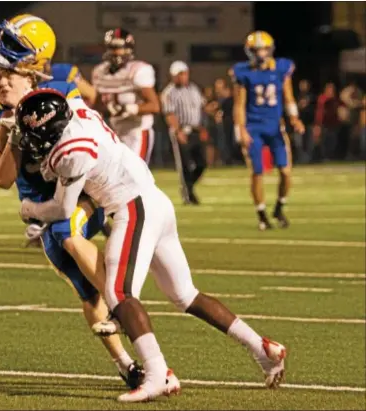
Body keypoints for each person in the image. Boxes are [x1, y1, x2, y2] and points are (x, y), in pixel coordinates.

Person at [16, 89, 287, 403]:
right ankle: (263, 349)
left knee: (119, 294)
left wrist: (30, 210)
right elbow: (73, 99)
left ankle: (156, 375)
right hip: (155, 201)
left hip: (133, 206)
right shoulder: (76, 109)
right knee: (186, 295)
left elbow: (63, 210)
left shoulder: (72, 150)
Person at [0, 15, 143, 388]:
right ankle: (127, 365)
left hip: (82, 195)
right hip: (44, 211)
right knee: (84, 289)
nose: (0, 80)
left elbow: (89, 120)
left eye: (8, 73)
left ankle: (124, 306)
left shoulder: (62, 89)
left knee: (67, 229)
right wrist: (9, 132)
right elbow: (2, 178)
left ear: (32, 72)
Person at [232, 31, 305, 230]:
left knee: (286, 171)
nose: (261, 53)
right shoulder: (243, 72)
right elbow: (239, 105)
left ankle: (279, 206)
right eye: (257, 49)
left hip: (275, 127)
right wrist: (241, 130)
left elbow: (288, 96)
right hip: (253, 127)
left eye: (264, 48)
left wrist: (294, 118)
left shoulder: (281, 68)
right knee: (257, 171)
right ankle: (262, 213)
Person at [92, 28, 160, 163]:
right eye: (113, 47)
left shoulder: (138, 70)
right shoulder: (100, 72)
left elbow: (155, 106)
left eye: (120, 48)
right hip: (113, 131)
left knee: (135, 175)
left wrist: (129, 109)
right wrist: (109, 109)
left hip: (138, 131)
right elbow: (97, 105)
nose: (116, 52)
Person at [161, 61, 207, 204]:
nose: (182, 77)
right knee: (185, 165)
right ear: (173, 76)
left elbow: (200, 108)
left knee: (202, 164)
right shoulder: (169, 92)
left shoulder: (194, 88)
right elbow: (170, 114)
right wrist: (178, 131)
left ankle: (188, 188)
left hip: (195, 130)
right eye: (179, 74)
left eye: (184, 74)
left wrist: (202, 127)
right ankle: (188, 195)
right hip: (181, 131)